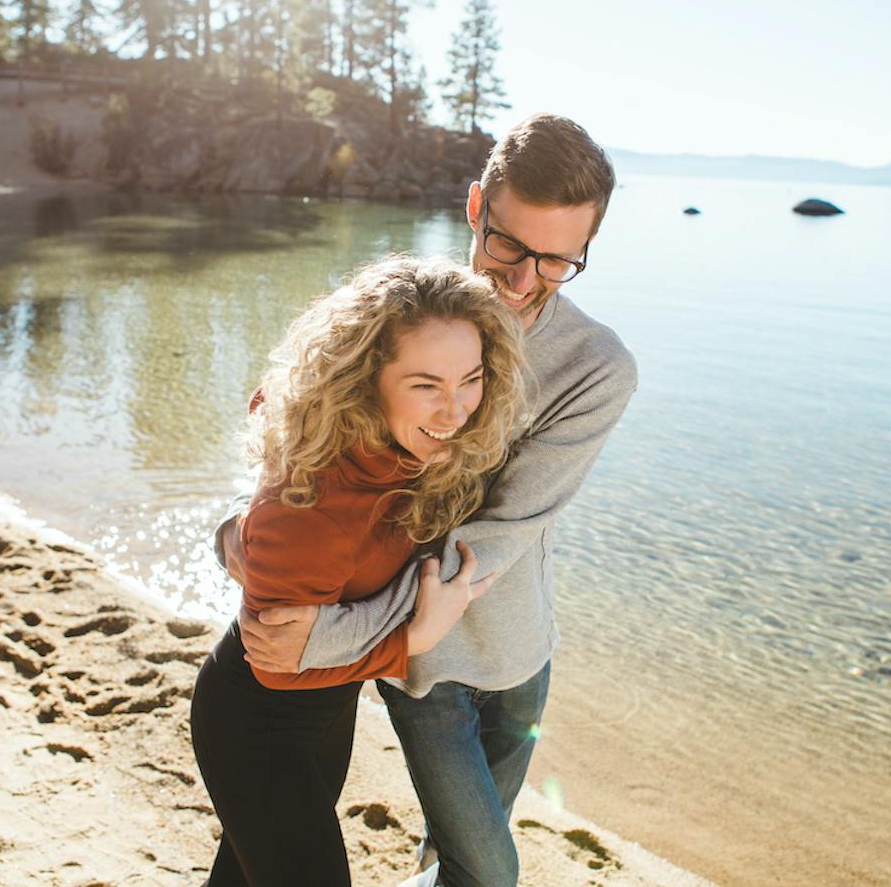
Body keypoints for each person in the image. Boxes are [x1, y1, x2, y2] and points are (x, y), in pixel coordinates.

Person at [215, 113, 638, 886]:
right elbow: (290, 417)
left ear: (585, 251)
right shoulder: (411, 311)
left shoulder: (596, 367)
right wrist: (240, 535)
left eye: (555, 261)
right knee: (488, 869)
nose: (519, 279)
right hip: (423, 664)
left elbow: (503, 532)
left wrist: (328, 637)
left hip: (515, 653)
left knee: (456, 866)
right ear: (476, 207)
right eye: (508, 245)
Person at [191, 255, 528, 887]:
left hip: (326, 713)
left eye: (472, 379)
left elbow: (264, 401)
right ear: (365, 379)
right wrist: (411, 641)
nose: (456, 412)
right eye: (427, 384)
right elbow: (276, 662)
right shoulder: (308, 506)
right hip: (258, 723)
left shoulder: (415, 447)